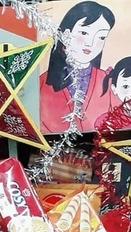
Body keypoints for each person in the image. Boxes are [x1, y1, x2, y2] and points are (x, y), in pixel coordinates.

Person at [39, 1, 115, 133]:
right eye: (84, 33)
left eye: (101, 37)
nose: (90, 43)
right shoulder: (42, 83)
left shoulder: (108, 81)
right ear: (65, 34)